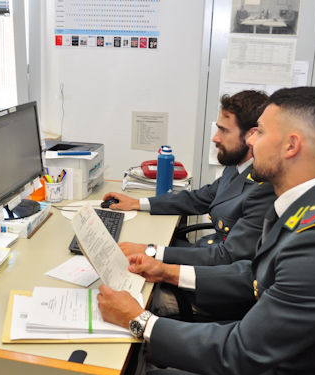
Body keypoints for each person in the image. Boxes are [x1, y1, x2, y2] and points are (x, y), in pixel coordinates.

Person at [97, 86, 315, 375]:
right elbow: (253, 275)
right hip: (289, 359)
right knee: (155, 364)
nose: (251, 141)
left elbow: (238, 353)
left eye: (261, 132)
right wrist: (166, 271)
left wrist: (139, 321)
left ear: (291, 146)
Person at [104, 90, 274, 270]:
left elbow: (226, 257)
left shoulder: (264, 188)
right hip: (207, 252)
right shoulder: (236, 167)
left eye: (224, 130)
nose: (215, 138)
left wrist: (151, 251)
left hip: (215, 270)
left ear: (251, 135)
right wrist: (137, 203)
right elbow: (200, 198)